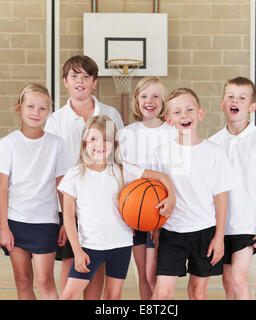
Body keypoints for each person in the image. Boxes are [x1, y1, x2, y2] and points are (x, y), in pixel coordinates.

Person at [59, 115, 175, 300]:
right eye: (93, 139)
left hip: (120, 245)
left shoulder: (122, 170)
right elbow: (68, 218)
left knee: (113, 297)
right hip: (89, 247)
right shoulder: (74, 175)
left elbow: (162, 177)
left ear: (115, 144)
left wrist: (171, 199)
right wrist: (77, 251)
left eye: (106, 140)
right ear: (84, 143)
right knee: (68, 295)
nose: (100, 144)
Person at [44, 55, 124, 299]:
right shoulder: (55, 120)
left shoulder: (111, 114)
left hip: (103, 210)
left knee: (95, 271)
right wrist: (66, 214)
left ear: (95, 82)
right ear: (66, 82)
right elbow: (54, 171)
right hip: (69, 206)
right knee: (71, 268)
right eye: (74, 76)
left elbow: (118, 161)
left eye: (85, 76)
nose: (80, 81)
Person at [151, 88, 237, 300]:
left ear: (200, 113)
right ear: (169, 120)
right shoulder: (161, 153)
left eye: (189, 109)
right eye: (178, 112)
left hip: (205, 232)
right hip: (172, 232)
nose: (184, 115)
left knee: (198, 292)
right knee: (162, 293)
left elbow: (221, 198)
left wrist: (219, 237)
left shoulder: (215, 153)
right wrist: (156, 228)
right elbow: (156, 193)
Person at [0, 83, 71, 300]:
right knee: (23, 280)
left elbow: (63, 187)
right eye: (30, 106)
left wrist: (67, 221)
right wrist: (3, 228)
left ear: (49, 112)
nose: (36, 113)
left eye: (42, 108)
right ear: (19, 108)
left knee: (45, 280)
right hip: (15, 222)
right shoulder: (8, 143)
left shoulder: (57, 144)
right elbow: (2, 189)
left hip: (45, 222)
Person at [209, 77, 256, 300]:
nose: (235, 100)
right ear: (222, 103)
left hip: (247, 224)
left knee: (239, 278)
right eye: (230, 96)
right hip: (221, 226)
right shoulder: (212, 143)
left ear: (252, 106)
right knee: (228, 282)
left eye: (241, 97)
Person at [117, 76, 177, 299]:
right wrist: (128, 214)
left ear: (164, 102)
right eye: (144, 96)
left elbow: (177, 178)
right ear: (136, 100)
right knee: (143, 275)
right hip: (135, 213)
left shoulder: (173, 133)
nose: (149, 101)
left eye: (155, 96)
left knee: (155, 276)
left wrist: (162, 217)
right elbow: (121, 177)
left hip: (165, 213)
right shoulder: (125, 134)